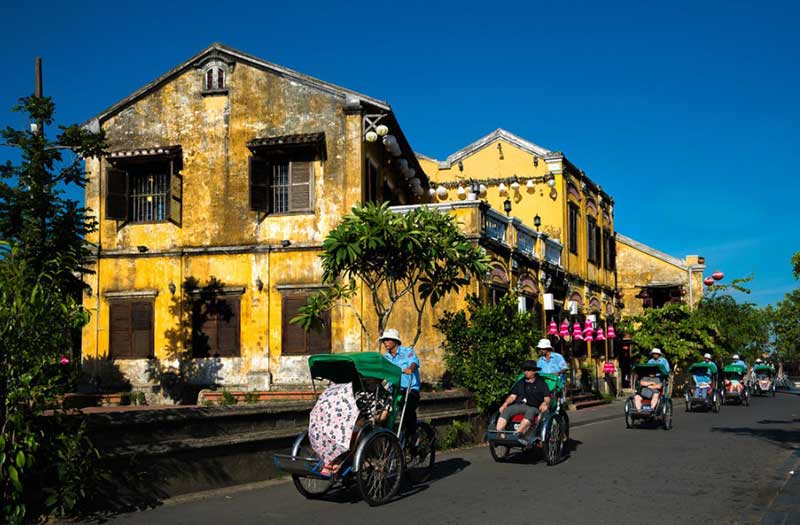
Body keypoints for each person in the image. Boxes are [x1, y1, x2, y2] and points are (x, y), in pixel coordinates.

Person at [495, 360, 551, 439]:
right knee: (508, 409)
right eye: (524, 369)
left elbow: (547, 398)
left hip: (534, 407)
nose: (525, 372)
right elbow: (513, 396)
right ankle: (499, 432)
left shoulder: (541, 383)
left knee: (530, 411)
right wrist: (505, 404)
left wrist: (545, 403)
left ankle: (517, 434)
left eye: (528, 369)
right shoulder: (520, 382)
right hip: (520, 405)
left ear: (534, 371)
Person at [380, 329, 420, 438]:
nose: (385, 343)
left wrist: (410, 369)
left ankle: (414, 437)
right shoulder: (385, 357)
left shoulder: (407, 352)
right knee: (382, 414)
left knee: (407, 411)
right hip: (393, 389)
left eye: (388, 340)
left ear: (395, 341)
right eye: (384, 340)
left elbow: (414, 363)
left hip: (410, 389)